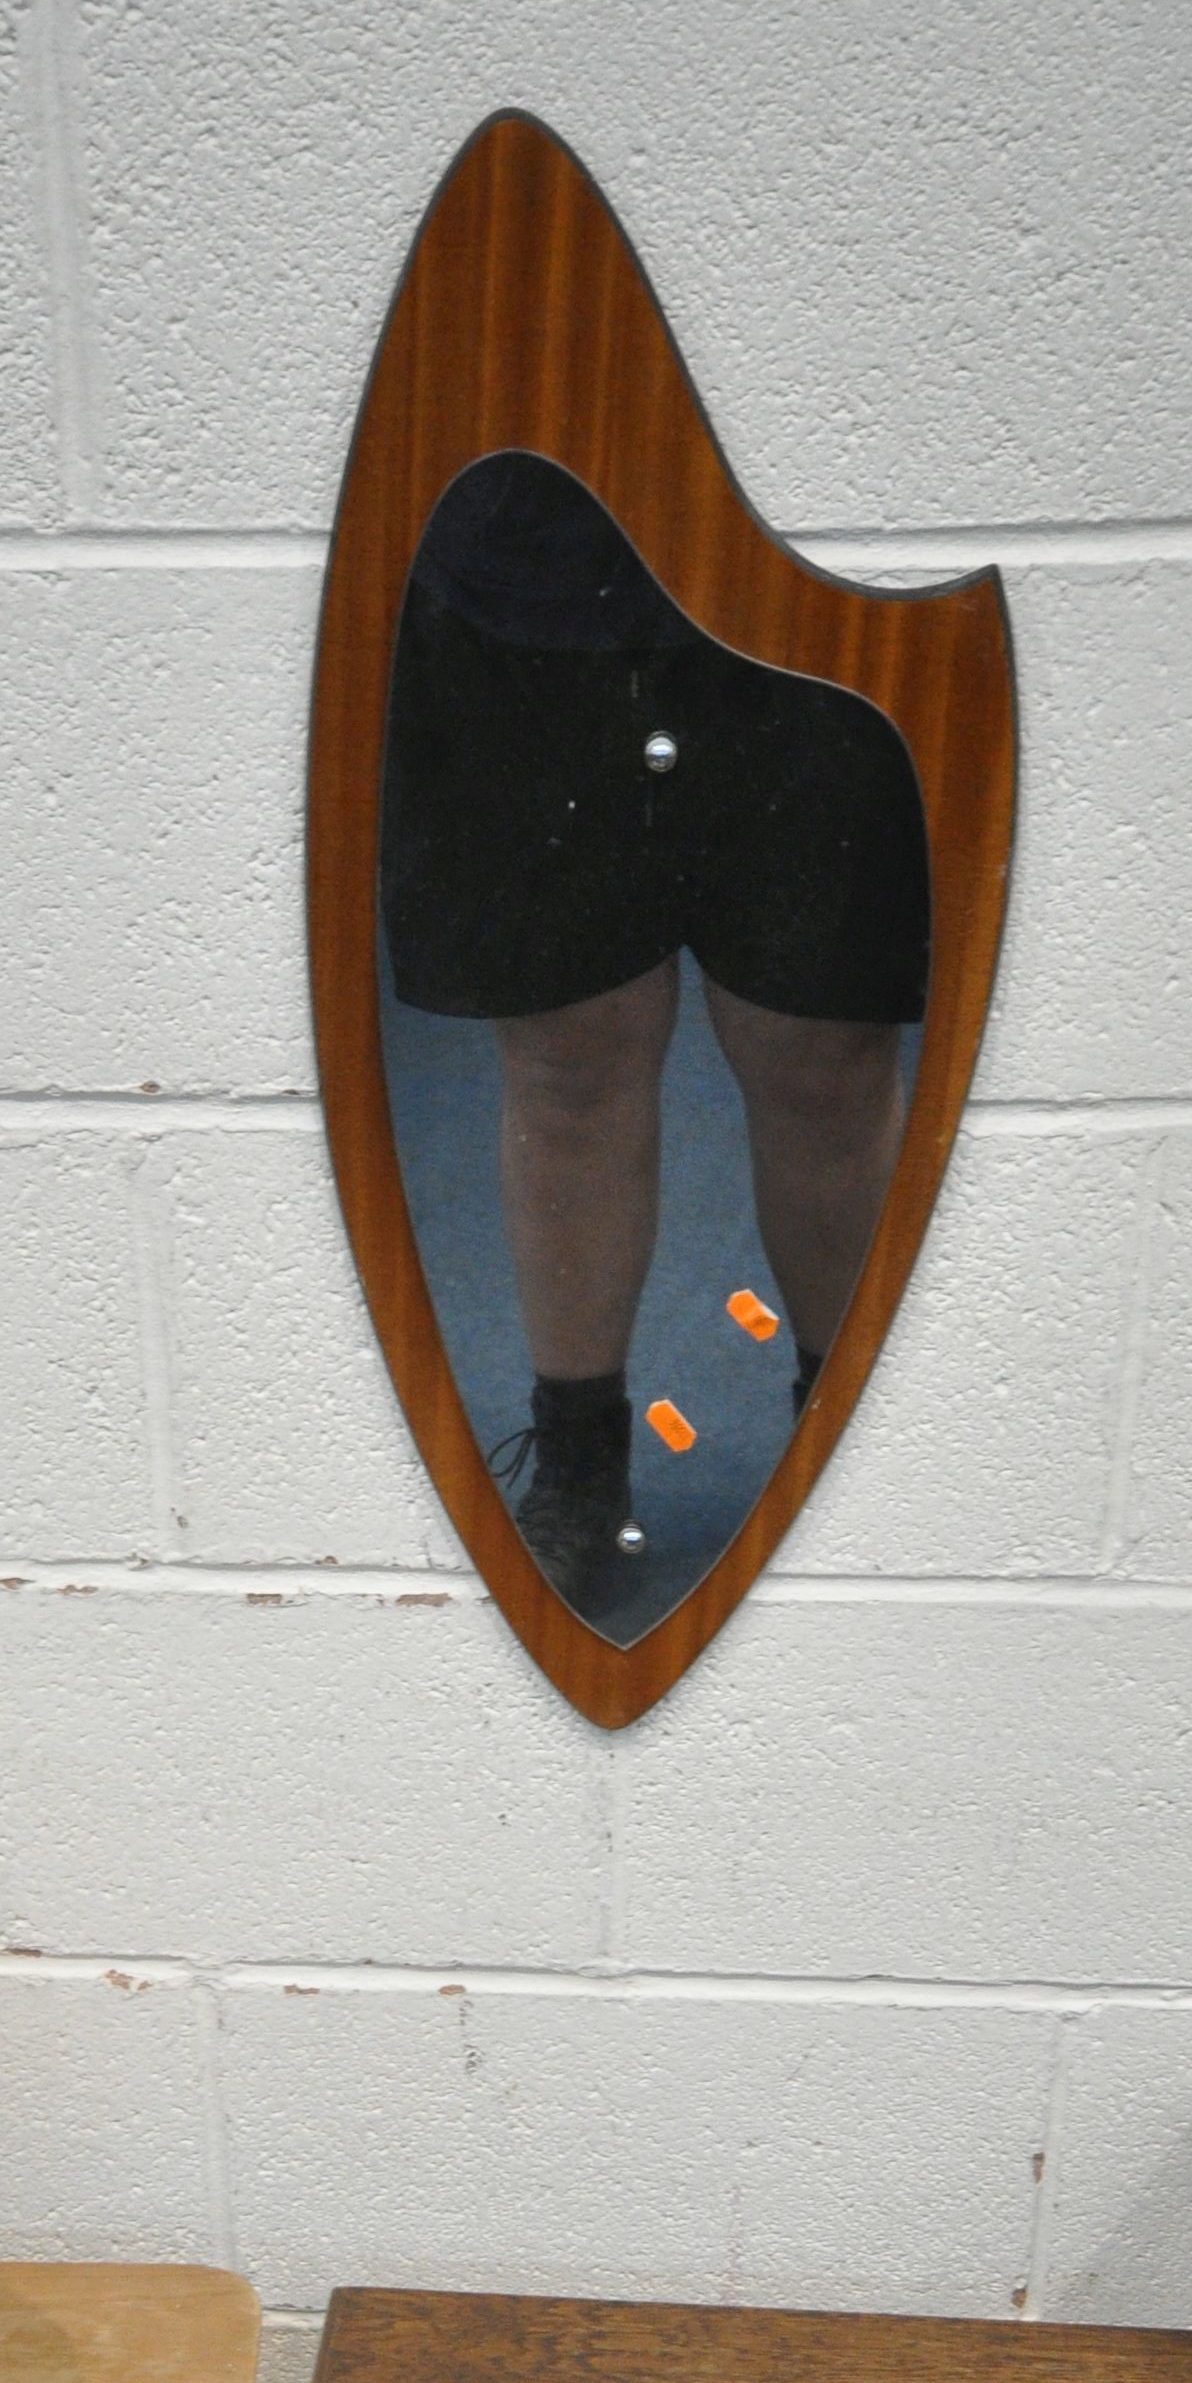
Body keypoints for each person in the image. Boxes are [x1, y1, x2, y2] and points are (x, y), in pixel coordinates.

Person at [380, 452, 931, 1609]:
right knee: (567, 1056)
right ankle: (577, 1456)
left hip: (813, 566)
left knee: (821, 1057)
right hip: (526, 577)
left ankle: (848, 1448)